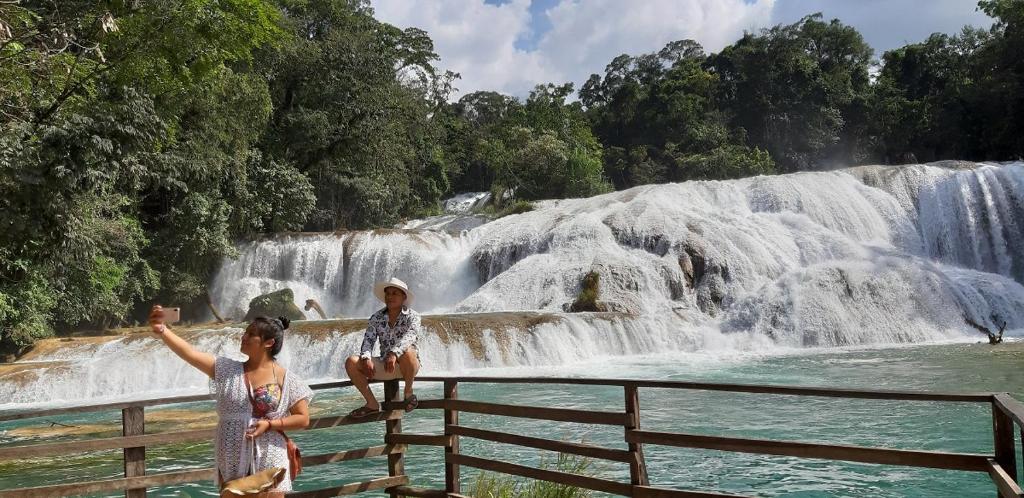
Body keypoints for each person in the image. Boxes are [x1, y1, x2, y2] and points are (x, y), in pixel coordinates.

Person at [148, 305, 312, 496]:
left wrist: (269, 424)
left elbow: (303, 418)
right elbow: (189, 353)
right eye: (245, 332)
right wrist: (163, 330)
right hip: (232, 454)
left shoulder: (288, 379)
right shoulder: (226, 369)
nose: (244, 337)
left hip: (270, 454)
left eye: (251, 334)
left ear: (268, 343)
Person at [344, 277, 421, 417]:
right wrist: (366, 358)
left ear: (404, 297)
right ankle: (372, 404)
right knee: (351, 362)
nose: (390, 296)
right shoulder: (376, 317)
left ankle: (408, 393)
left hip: (407, 367)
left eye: (394, 293)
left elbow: (410, 337)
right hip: (386, 365)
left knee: (408, 351)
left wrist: (394, 353)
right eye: (388, 293)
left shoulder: (413, 316)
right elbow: (368, 340)